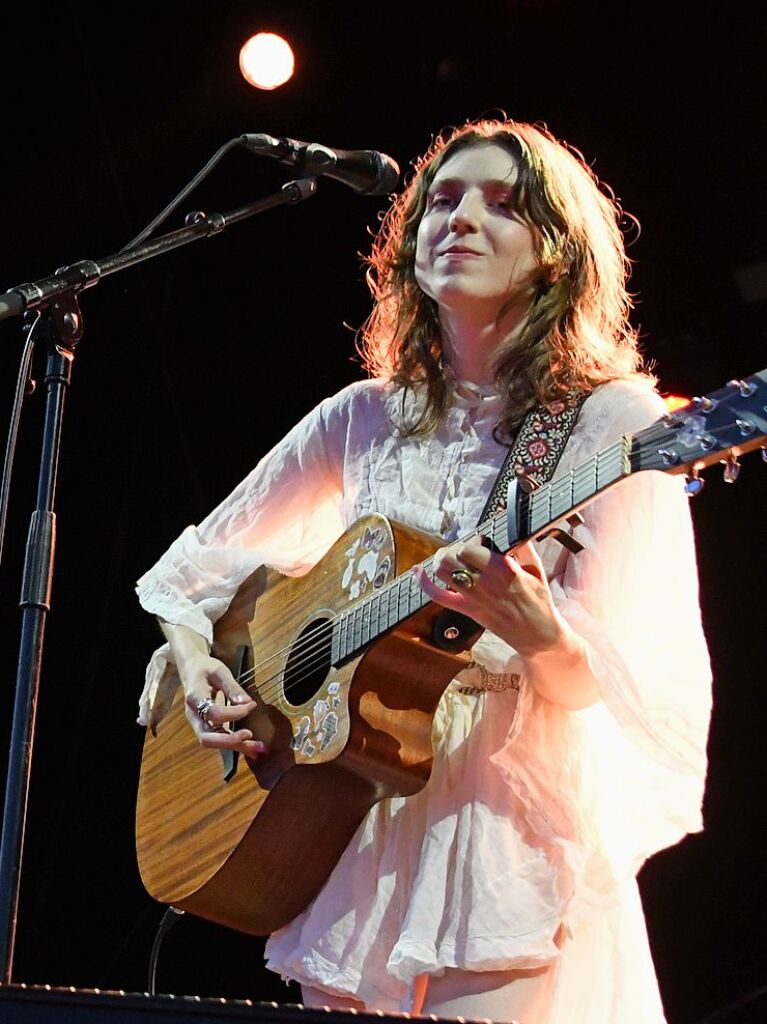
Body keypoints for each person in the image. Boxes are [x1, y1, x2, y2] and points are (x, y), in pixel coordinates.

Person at [136, 118, 712, 1024]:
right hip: (345, 817)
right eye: (441, 200)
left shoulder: (615, 425)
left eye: (500, 204)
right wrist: (197, 655)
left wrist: (539, 632)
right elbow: (192, 568)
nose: (460, 219)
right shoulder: (360, 417)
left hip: (500, 824)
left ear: (558, 253)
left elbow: (621, 682)